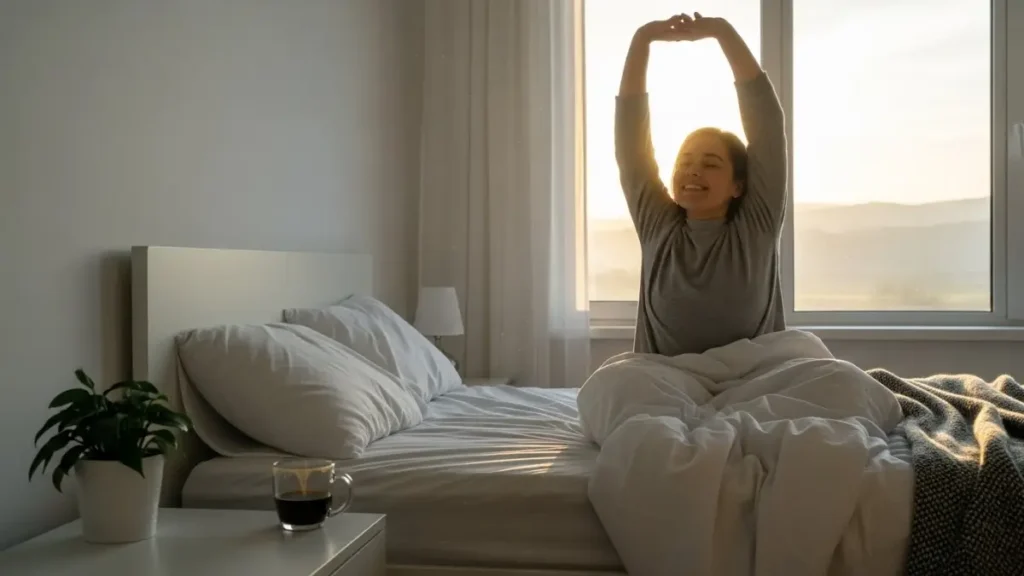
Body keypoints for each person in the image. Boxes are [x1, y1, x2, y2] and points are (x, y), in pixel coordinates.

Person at [616, 11, 787, 356]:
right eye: (685, 162)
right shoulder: (657, 225)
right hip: (668, 381)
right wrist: (642, 40)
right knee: (607, 386)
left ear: (738, 185)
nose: (693, 172)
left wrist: (722, 32)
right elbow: (631, 146)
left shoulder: (757, 226)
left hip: (751, 381)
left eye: (710, 164)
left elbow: (767, 123)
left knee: (841, 382)